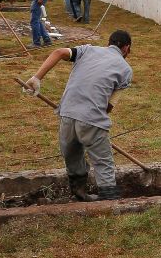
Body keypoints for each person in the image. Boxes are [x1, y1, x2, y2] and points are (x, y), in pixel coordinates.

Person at [23, 30, 134, 202]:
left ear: (109, 43)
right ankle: (109, 201)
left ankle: (79, 193)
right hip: (91, 118)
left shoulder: (87, 50)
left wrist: (36, 78)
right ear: (126, 48)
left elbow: (59, 52)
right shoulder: (125, 69)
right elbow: (108, 106)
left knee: (72, 155)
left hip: (66, 113)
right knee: (103, 161)